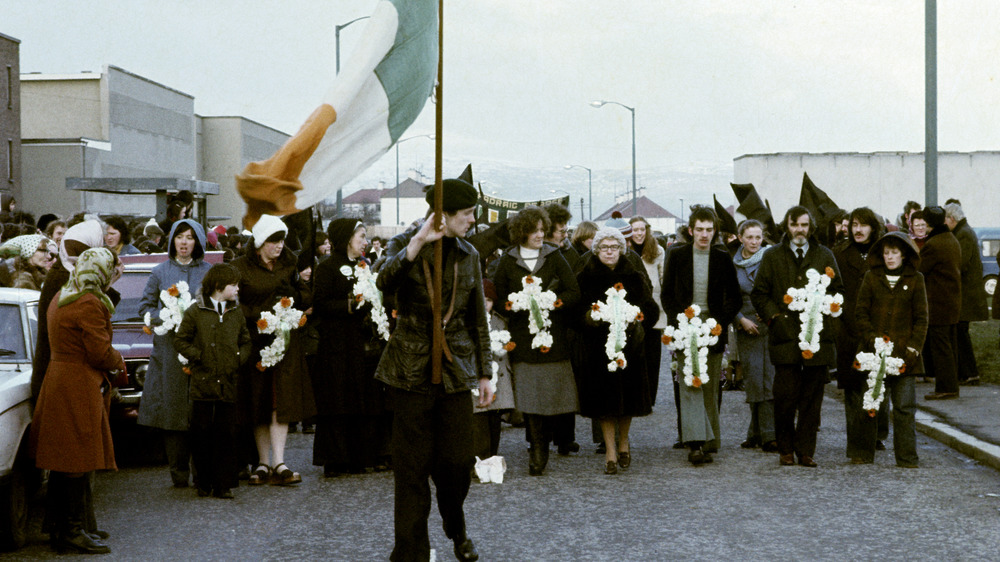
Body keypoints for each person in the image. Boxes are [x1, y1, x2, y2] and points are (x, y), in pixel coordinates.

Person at [375, 177, 493, 561]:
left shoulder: (469, 254)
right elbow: (383, 281)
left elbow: (478, 319)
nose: (473, 220)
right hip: (410, 369)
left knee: (457, 462)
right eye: (467, 213)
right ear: (443, 215)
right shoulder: (403, 246)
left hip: (455, 368)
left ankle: (454, 524)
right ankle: (411, 552)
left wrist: (485, 373)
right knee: (410, 471)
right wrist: (417, 243)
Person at [30, 248, 124, 554]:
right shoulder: (88, 302)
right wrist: (118, 361)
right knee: (77, 459)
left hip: (59, 378)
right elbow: (99, 352)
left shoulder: (64, 295)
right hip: (77, 384)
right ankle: (71, 530)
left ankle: (61, 527)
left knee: (63, 459)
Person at [751, 206, 843, 467]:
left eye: (804, 225)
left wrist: (827, 311)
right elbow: (759, 294)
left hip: (816, 338)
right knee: (785, 396)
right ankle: (785, 448)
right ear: (786, 227)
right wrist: (775, 319)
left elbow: (838, 290)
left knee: (812, 399)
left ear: (810, 227)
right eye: (794, 225)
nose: (799, 230)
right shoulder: (772, 256)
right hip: (786, 337)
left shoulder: (824, 255)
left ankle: (805, 450)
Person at [493, 206, 581, 476]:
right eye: (535, 231)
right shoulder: (508, 261)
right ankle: (537, 448)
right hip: (522, 337)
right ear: (523, 232)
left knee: (551, 395)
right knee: (529, 396)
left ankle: (549, 441)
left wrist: (553, 302)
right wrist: (512, 304)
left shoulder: (554, 256)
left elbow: (573, 291)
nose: (541, 235)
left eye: (543, 230)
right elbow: (497, 298)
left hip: (551, 336)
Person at [231, 214, 315, 486]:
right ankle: (262, 461)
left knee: (281, 401)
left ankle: (279, 460)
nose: (279, 246)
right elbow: (235, 302)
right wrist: (261, 315)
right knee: (259, 402)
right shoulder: (240, 267)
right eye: (273, 241)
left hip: (284, 341)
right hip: (255, 341)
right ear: (259, 243)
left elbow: (302, 293)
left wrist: (297, 302)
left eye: (281, 240)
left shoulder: (289, 263)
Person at [661, 207, 742, 464]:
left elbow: (735, 297)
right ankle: (694, 443)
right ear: (691, 231)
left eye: (709, 230)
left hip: (713, 328)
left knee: (709, 385)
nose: (704, 235)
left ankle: (709, 440)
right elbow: (667, 295)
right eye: (700, 230)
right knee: (689, 382)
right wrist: (679, 321)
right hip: (686, 327)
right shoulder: (677, 255)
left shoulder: (721, 257)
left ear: (714, 231)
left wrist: (719, 323)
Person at [311, 218, 390, 476]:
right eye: (361, 237)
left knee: (359, 399)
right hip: (335, 344)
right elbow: (320, 304)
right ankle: (335, 458)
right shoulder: (327, 267)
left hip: (359, 343)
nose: (365, 242)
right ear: (347, 239)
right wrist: (349, 305)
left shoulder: (364, 265)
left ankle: (359, 456)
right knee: (336, 401)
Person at [137, 219, 212, 488]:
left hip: (199, 350)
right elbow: (144, 309)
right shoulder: (159, 272)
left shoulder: (208, 271)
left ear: (198, 242)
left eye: (190, 237)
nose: (184, 242)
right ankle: (177, 472)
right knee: (172, 412)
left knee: (200, 412)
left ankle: (201, 471)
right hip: (169, 352)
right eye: (180, 236)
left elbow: (219, 306)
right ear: (172, 241)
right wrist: (165, 315)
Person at [576, 226, 658, 474]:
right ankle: (610, 450)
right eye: (604, 247)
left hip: (629, 347)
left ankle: (624, 443)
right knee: (604, 401)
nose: (609, 252)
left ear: (621, 249)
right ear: (596, 249)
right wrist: (589, 317)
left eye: (614, 247)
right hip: (597, 348)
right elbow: (575, 310)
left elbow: (650, 307)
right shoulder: (585, 276)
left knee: (628, 399)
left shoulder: (633, 274)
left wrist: (638, 319)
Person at [174, 263, 251, 498]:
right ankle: (204, 481)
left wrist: (238, 359)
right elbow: (180, 340)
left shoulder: (236, 312)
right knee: (201, 433)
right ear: (219, 286)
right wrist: (199, 356)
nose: (237, 289)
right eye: (233, 285)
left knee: (226, 434)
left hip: (228, 381)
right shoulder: (196, 311)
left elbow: (245, 340)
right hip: (203, 382)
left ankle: (224, 484)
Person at [852, 232, 927, 466]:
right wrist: (872, 339)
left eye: (895, 252)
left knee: (904, 407)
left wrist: (913, 349)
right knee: (870, 403)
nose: (890, 257)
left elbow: (922, 319)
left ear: (904, 254)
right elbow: (861, 313)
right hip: (874, 355)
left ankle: (907, 457)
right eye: (886, 253)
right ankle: (862, 453)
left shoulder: (916, 279)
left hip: (905, 356)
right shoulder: (871, 277)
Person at [833, 207, 888, 457]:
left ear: (873, 227)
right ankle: (857, 441)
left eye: (863, 224)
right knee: (854, 387)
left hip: (879, 328)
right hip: (848, 328)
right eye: (854, 224)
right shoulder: (839, 254)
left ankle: (877, 433)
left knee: (878, 383)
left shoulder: (884, 252)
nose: (858, 229)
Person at [732, 220, 778, 452]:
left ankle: (768, 434)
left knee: (768, 377)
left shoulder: (772, 258)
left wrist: (769, 311)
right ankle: (756, 432)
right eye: (749, 237)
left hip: (768, 324)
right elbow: (729, 297)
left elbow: (780, 288)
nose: (754, 242)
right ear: (740, 237)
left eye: (758, 237)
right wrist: (741, 319)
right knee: (753, 378)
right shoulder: (733, 264)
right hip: (746, 327)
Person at [541, 202, 581, 455]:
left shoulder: (571, 255)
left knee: (566, 382)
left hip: (566, 324)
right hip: (541, 325)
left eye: (566, 230)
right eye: (560, 230)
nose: (564, 234)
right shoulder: (536, 255)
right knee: (541, 383)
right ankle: (540, 436)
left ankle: (565, 437)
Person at [919, 207, 962, 400]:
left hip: (938, 303)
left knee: (941, 347)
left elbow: (920, 269)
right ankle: (951, 385)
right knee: (949, 346)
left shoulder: (933, 244)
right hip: (951, 301)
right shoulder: (951, 239)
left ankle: (945, 388)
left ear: (928, 223)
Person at [944, 203, 988, 386]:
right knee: (960, 333)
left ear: (952, 219)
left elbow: (960, 263)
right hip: (966, 295)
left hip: (966, 296)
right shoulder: (964, 232)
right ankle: (965, 373)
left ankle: (970, 373)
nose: (944, 224)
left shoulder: (963, 235)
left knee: (961, 333)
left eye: (945, 220)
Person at [472, 279, 516, 461]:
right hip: (477, 374)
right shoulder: (469, 320)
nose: (485, 304)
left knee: (495, 418)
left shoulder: (499, 320)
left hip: (499, 373)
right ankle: (480, 456)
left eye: (489, 300)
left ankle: (493, 455)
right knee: (479, 419)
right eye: (481, 299)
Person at [630, 215, 667, 407]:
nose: (638, 233)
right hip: (632, 309)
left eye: (641, 230)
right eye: (635, 230)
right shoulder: (625, 250)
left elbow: (663, 278)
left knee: (652, 357)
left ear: (647, 230)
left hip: (653, 309)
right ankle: (636, 396)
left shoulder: (657, 250)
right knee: (635, 355)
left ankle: (650, 398)